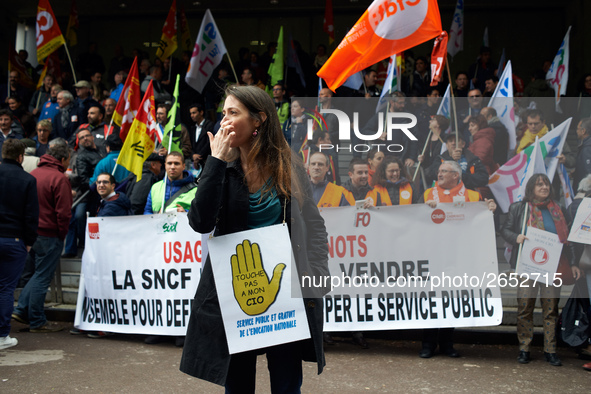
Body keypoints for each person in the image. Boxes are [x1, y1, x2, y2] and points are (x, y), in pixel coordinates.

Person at [180, 86, 329, 392]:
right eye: (223, 113)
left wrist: (317, 272)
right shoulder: (222, 167)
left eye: (233, 113)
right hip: (236, 292)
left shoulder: (289, 165)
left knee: (287, 384)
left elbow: (314, 224)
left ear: (258, 119)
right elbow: (200, 222)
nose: (224, 121)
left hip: (286, 292)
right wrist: (216, 161)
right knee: (237, 384)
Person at [501, 174, 581, 366]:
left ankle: (550, 350)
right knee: (525, 308)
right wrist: (516, 237)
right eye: (539, 184)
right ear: (531, 188)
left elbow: (566, 238)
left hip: (552, 267)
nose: (544, 187)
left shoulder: (559, 208)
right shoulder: (519, 207)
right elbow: (505, 229)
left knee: (550, 310)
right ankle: (524, 348)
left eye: (546, 184)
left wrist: (573, 262)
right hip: (527, 267)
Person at [420, 161, 496, 358]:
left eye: (444, 171)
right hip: (433, 253)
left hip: (460, 254)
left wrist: (488, 209)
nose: (440, 174)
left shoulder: (473, 196)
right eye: (439, 171)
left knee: (451, 298)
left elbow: (480, 221)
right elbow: (414, 219)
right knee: (431, 298)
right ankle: (427, 344)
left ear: (456, 176)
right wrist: (423, 209)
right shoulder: (427, 194)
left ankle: (447, 343)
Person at [12, 143, 72, 333]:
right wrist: (62, 234)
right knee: (42, 277)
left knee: (36, 275)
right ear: (63, 159)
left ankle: (22, 309)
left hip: (30, 233)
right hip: (49, 233)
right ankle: (37, 320)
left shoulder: (34, 174)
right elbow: (63, 213)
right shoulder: (59, 178)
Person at [0, 140, 38, 349]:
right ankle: (2, 335)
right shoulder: (26, 179)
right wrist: (29, 242)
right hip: (14, 239)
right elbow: (31, 214)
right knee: (6, 289)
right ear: (20, 157)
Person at [425, 134, 489, 191]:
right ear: (447, 145)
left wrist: (461, 177)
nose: (453, 143)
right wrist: (451, 160)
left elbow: (483, 178)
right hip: (444, 194)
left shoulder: (472, 159)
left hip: (466, 194)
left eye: (456, 141)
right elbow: (432, 174)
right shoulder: (440, 159)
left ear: (463, 144)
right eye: (450, 141)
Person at [573, 118, 591, 192]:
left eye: (578, 129)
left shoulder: (587, 148)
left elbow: (589, 171)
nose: (576, 131)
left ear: (583, 131)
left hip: (585, 191)